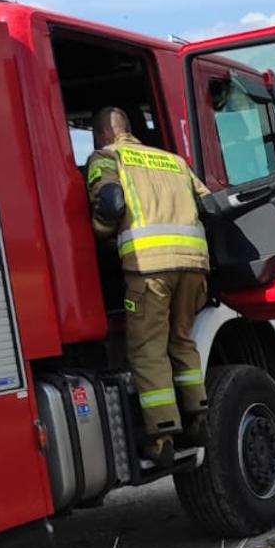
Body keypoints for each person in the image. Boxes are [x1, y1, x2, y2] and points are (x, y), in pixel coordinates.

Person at [84, 107, 210, 462]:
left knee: (148, 348)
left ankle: (162, 434)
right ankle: (198, 414)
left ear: (102, 134)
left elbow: (110, 204)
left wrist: (101, 234)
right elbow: (208, 203)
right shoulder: (173, 161)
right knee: (182, 339)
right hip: (194, 266)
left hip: (148, 268)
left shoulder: (106, 157)